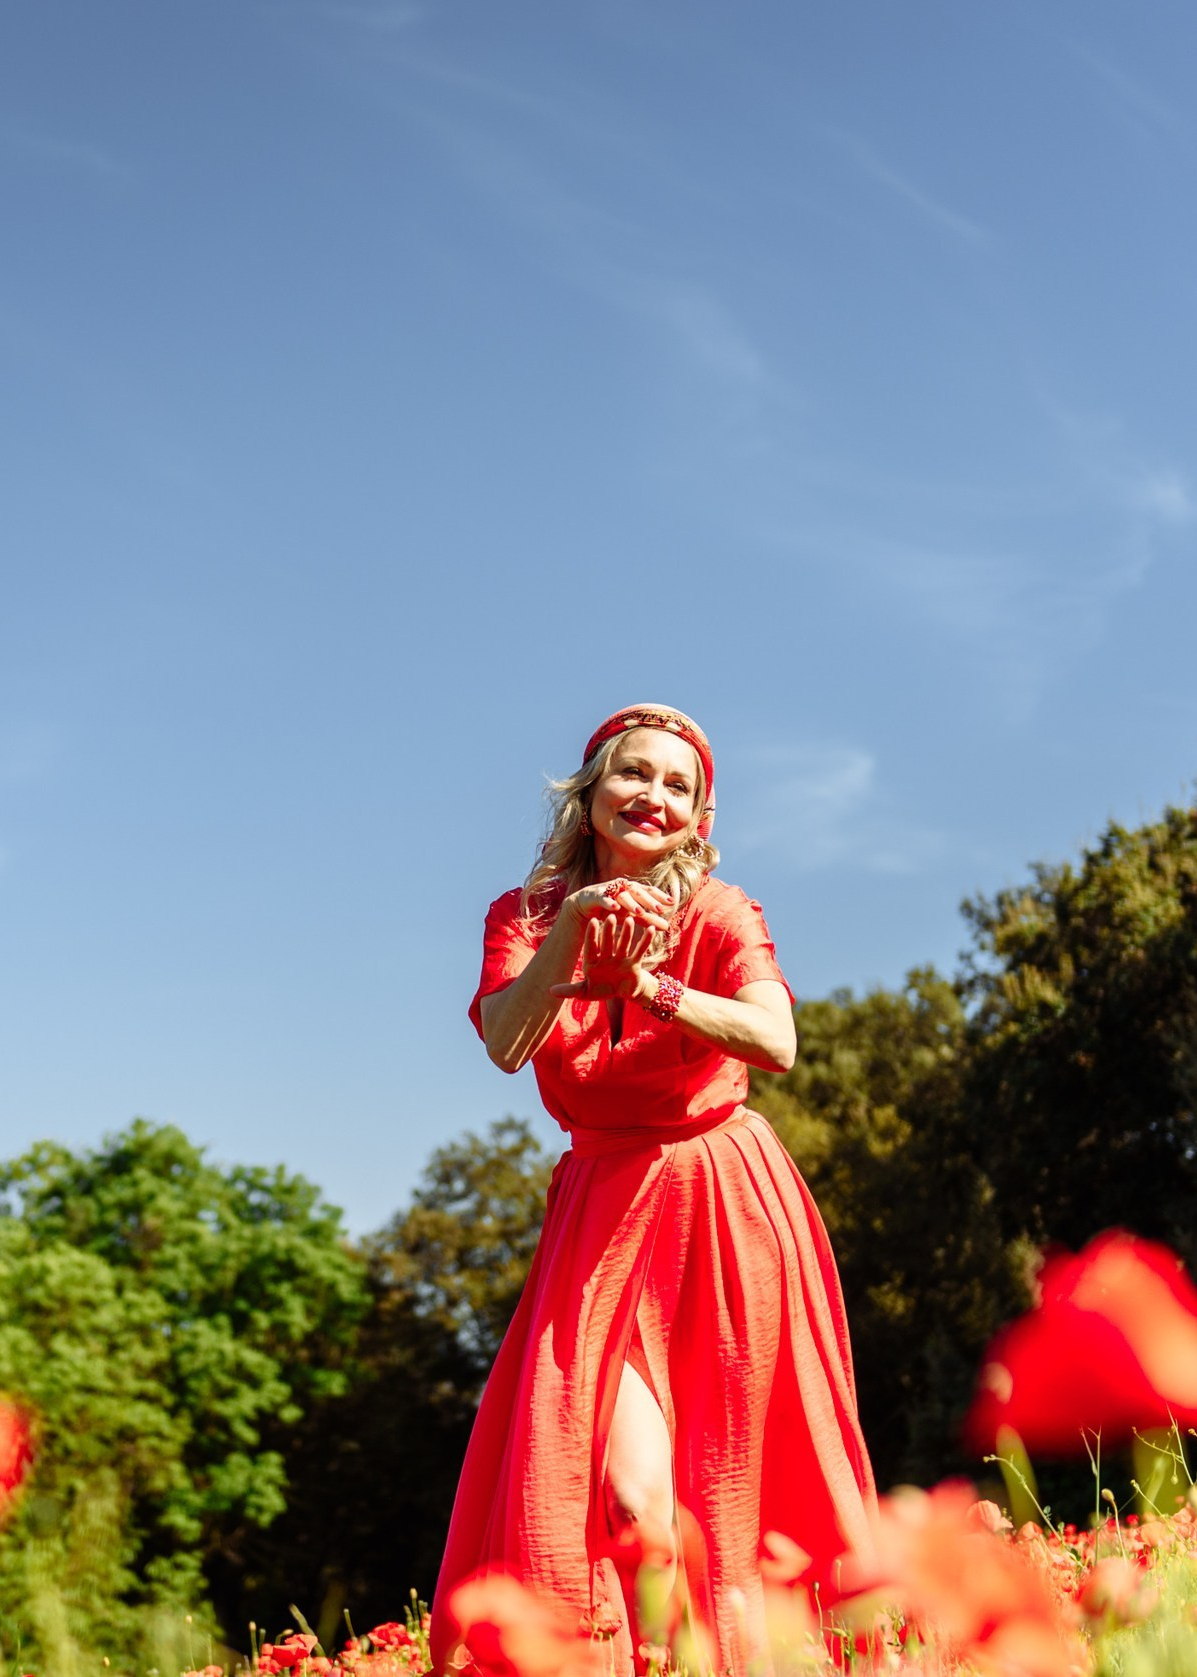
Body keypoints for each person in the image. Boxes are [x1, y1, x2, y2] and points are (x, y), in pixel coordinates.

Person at [432, 704, 875, 1675]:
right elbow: (506, 1040)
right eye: (635, 773)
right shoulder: (523, 916)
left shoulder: (721, 911)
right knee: (633, 1503)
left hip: (723, 1201)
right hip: (602, 1210)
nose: (653, 796)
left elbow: (777, 1040)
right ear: (591, 792)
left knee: (730, 1493)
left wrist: (650, 987)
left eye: (678, 785)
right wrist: (574, 931)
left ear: (698, 817)